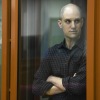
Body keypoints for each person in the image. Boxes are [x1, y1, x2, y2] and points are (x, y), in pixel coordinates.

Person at [32, 3, 86, 100]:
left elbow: (79, 86)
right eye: (68, 21)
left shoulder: (89, 51)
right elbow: (36, 87)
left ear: (82, 22)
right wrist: (71, 83)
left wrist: (52, 79)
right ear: (60, 24)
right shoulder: (52, 52)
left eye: (77, 21)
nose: (73, 26)